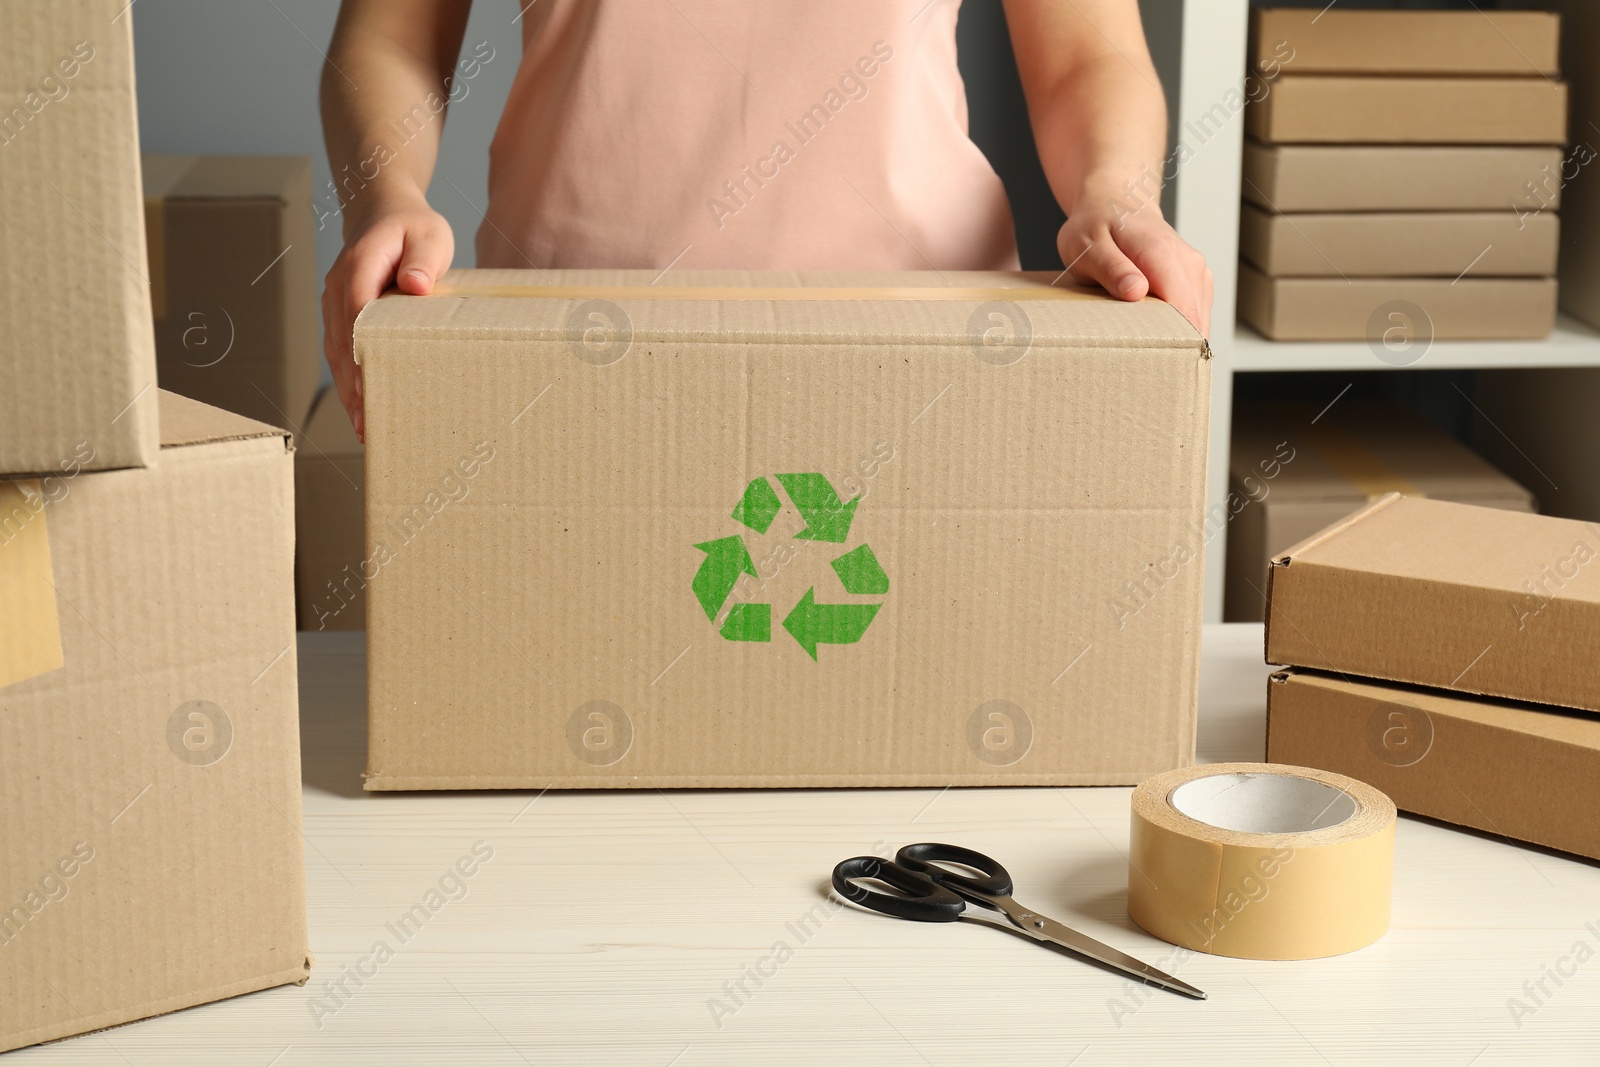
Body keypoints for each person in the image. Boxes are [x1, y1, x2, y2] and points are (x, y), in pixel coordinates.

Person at [321, 0, 1212, 438]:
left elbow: (1085, 54)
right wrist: (388, 191)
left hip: (931, 346)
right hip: (572, 338)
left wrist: (1120, 194)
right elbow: (391, 33)